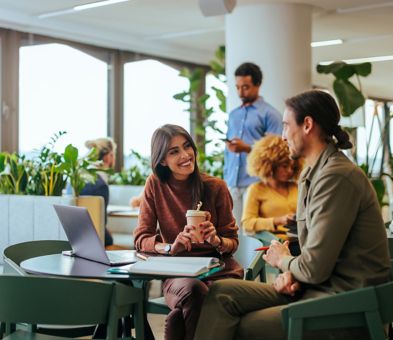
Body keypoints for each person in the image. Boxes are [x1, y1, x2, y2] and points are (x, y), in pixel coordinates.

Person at [194, 90, 391, 340]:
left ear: (307, 125)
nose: (283, 135)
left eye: (286, 126)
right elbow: (314, 258)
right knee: (222, 292)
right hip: (317, 287)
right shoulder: (313, 174)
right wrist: (291, 272)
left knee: (244, 326)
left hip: (346, 302)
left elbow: (314, 269)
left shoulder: (336, 177)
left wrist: (282, 261)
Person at [133, 124, 243, 340]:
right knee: (193, 290)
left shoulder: (215, 187)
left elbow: (233, 242)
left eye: (187, 147)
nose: (185, 155)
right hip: (178, 273)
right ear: (162, 160)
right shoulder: (155, 185)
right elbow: (141, 238)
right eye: (174, 152)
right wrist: (170, 247)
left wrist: (217, 240)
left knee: (194, 304)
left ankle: (175, 323)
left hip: (217, 271)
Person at [224, 62, 283, 225]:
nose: (240, 92)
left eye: (246, 87)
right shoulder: (233, 115)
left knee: (254, 233)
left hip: (256, 183)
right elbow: (227, 153)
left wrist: (247, 148)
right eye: (237, 87)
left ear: (258, 85)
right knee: (232, 231)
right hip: (233, 184)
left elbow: (277, 152)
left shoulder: (271, 115)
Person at [242, 135, 302, 237]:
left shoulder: (297, 187)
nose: (290, 171)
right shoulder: (256, 189)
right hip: (272, 244)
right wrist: (278, 221)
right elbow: (247, 224)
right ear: (270, 165)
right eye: (284, 166)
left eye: (293, 167)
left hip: (300, 242)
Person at [79, 137, 116, 247]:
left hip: (76, 235)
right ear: (107, 157)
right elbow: (100, 223)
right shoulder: (101, 185)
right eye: (113, 155)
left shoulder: (77, 178)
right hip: (94, 239)